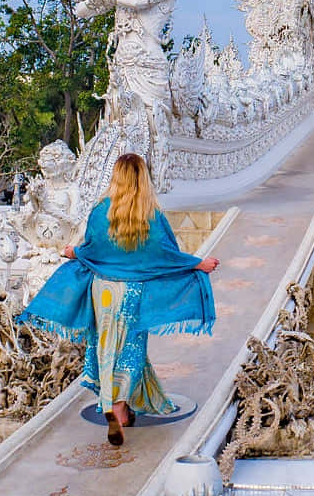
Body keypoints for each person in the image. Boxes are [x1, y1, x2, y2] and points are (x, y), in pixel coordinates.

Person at [18, 152, 218, 446]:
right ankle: (120, 407)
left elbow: (93, 249)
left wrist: (76, 253)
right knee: (131, 348)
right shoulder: (151, 216)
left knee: (104, 345)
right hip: (132, 292)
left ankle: (110, 403)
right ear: (143, 179)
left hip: (103, 290)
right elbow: (165, 256)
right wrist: (196, 264)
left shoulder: (102, 212)